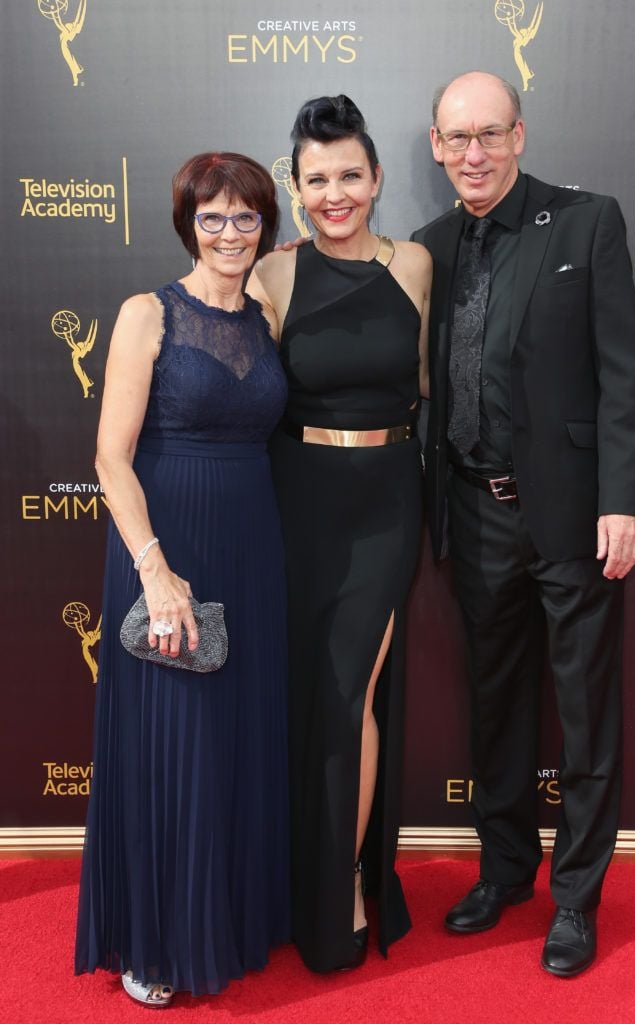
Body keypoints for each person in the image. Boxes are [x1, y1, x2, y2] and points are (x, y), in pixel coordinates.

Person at [412, 72, 635, 977]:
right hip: (472, 516)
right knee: (497, 708)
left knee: (585, 714)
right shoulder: (429, 248)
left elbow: (624, 373)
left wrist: (623, 498)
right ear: (434, 147)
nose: (472, 153)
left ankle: (577, 900)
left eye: (488, 134)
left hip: (573, 516)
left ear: (518, 134)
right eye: (455, 138)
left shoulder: (586, 222)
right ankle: (505, 871)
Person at [74, 152, 291, 1004]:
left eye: (245, 219)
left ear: (263, 226)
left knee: (235, 736)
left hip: (253, 544)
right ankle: (155, 939)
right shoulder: (146, 313)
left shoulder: (267, 309)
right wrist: (154, 573)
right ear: (187, 224)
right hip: (167, 546)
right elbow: (108, 457)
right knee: (176, 741)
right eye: (213, 218)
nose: (230, 234)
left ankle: (228, 917)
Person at [247, 95, 432, 973]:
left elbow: (429, 383)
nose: (333, 194)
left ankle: (345, 887)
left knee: (349, 692)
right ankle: (293, 880)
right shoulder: (273, 275)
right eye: (315, 179)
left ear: (376, 177)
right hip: (295, 498)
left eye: (349, 175)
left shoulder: (416, 266)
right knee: (304, 695)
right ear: (294, 187)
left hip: (388, 501)